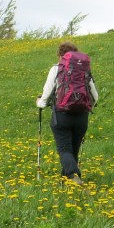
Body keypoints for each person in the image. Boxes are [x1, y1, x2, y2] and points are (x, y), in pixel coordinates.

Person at [36, 41, 99, 184]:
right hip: (82, 116)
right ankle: (66, 182)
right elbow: (95, 97)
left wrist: (39, 103)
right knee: (73, 150)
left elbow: (46, 95)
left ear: (60, 55)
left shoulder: (56, 69)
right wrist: (87, 106)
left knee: (64, 149)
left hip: (62, 115)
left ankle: (72, 174)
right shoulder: (84, 70)